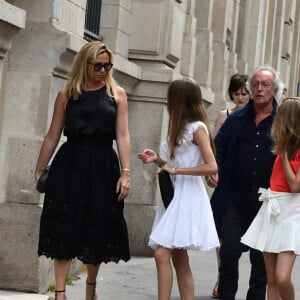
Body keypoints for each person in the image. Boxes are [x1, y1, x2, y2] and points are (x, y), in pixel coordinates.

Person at [34, 41, 131, 300]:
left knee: (95, 231)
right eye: (97, 65)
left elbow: (122, 136)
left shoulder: (117, 94)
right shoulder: (67, 94)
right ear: (84, 63)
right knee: (62, 229)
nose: (102, 70)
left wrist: (126, 173)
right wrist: (40, 169)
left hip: (103, 167)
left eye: (107, 65)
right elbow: (53, 135)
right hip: (70, 165)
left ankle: (91, 286)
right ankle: (61, 294)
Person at [138, 78, 220, 300]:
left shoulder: (197, 128)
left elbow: (211, 165)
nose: (166, 100)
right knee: (179, 259)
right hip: (174, 195)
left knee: (161, 254)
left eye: (170, 95)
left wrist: (176, 172)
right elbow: (174, 165)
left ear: (179, 100)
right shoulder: (178, 127)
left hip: (189, 196)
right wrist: (158, 160)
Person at [208, 65, 284, 300]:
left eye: (265, 85)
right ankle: (226, 295)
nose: (259, 89)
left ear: (275, 90)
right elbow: (218, 149)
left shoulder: (282, 121)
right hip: (235, 197)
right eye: (256, 85)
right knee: (229, 250)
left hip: (268, 201)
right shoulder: (237, 118)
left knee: (260, 260)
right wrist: (214, 170)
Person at [241, 97, 300, 300]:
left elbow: (295, 186)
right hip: (272, 208)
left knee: (283, 277)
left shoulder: (288, 151)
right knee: (272, 279)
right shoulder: (279, 147)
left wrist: (283, 157)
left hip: (292, 211)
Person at [211, 73, 250, 298]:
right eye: (236, 93)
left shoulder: (253, 117)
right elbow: (216, 148)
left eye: (244, 93)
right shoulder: (225, 115)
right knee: (220, 233)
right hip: (225, 183)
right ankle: (221, 276)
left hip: (246, 183)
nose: (240, 98)